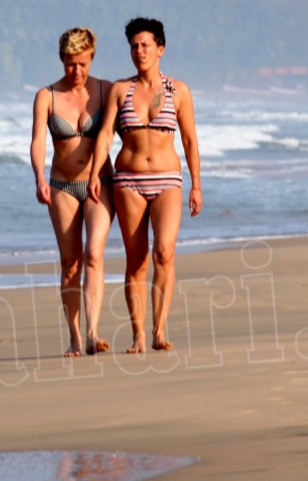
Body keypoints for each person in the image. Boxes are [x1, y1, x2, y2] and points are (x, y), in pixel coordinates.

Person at [88, 18, 201, 353]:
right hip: (128, 182)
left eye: (146, 45)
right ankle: (139, 334)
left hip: (168, 180)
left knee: (164, 253)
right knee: (136, 259)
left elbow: (191, 140)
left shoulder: (179, 91)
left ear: (160, 49)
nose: (139, 51)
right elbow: (107, 133)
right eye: (134, 46)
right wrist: (95, 173)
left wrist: (196, 185)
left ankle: (159, 330)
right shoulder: (120, 90)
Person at [30, 27, 115, 357]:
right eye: (69, 64)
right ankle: (75, 337)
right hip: (62, 186)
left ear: (91, 58)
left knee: (94, 253)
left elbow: (129, 130)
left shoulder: (106, 92)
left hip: (100, 184)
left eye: (82, 63)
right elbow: (38, 141)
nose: (76, 71)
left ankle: (94, 332)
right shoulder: (47, 96)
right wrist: (39, 177)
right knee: (71, 263)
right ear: (61, 60)